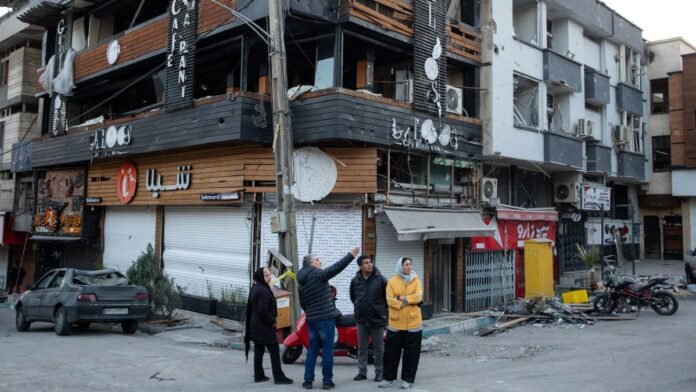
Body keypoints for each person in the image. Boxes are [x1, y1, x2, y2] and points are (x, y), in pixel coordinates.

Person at [298, 247, 360, 390]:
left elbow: (303, 304)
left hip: (312, 320)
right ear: (311, 263)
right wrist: (351, 255)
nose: (320, 262)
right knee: (327, 350)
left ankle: (308, 381)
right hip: (325, 319)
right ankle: (327, 381)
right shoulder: (318, 274)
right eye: (317, 260)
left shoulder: (301, 281)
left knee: (312, 350)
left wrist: (312, 313)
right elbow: (336, 268)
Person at [379, 257, 423, 390]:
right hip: (396, 323)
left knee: (411, 353)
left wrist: (403, 298)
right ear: (400, 266)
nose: (409, 267)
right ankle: (388, 378)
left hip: (413, 322)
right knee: (391, 352)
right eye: (406, 264)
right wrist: (408, 301)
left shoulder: (416, 280)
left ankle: (407, 379)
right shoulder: (392, 282)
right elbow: (390, 300)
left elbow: (418, 297)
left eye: (410, 264)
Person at [244, 267, 293, 385]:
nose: (269, 276)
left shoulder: (256, 287)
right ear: (261, 277)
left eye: (270, 274)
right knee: (274, 351)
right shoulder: (263, 291)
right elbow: (263, 309)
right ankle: (279, 377)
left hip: (256, 324)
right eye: (266, 275)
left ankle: (259, 375)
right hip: (264, 326)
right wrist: (273, 322)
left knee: (259, 350)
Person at [349, 255, 387, 382]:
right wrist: (359, 309)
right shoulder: (355, 281)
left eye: (370, 262)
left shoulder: (380, 279)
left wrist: (381, 311)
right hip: (361, 319)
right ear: (360, 266)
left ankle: (379, 373)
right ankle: (362, 372)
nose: (370, 264)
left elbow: (387, 298)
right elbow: (353, 298)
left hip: (377, 318)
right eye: (366, 263)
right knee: (362, 348)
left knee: (379, 348)